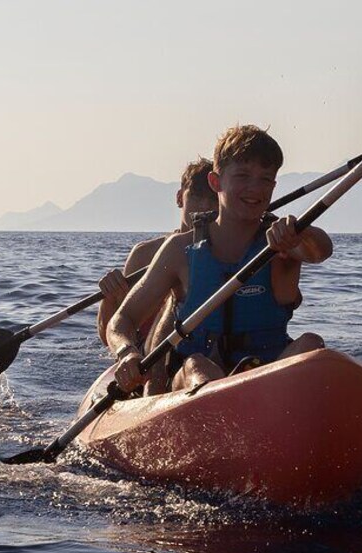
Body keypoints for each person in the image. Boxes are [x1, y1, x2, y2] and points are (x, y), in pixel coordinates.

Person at [108, 125, 332, 395]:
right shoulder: (180, 249)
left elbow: (321, 250)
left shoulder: (284, 244)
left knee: (311, 343)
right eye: (243, 176)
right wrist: (126, 352)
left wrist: (300, 232)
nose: (255, 188)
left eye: (265, 179)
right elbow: (122, 320)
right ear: (216, 182)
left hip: (270, 379)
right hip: (197, 385)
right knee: (197, 366)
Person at [97, 158, 217, 347]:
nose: (204, 206)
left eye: (213, 199)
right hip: (147, 357)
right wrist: (110, 300)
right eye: (196, 196)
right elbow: (108, 336)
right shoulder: (145, 254)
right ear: (179, 198)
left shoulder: (227, 252)